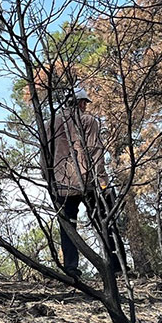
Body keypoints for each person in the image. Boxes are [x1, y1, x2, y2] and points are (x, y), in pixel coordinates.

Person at [47, 88, 127, 277]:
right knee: (105, 222)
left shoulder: (49, 124)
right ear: (81, 103)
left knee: (68, 227)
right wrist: (102, 182)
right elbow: (95, 151)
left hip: (62, 185)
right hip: (88, 181)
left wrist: (50, 181)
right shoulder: (88, 121)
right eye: (84, 103)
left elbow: (45, 157)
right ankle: (116, 266)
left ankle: (71, 268)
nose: (85, 107)